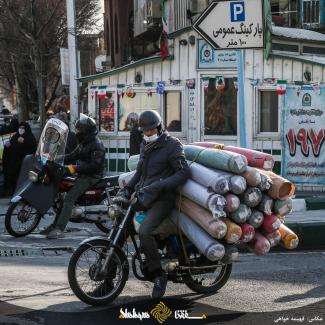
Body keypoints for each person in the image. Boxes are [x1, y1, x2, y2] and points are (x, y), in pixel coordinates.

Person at [121, 110, 190, 298]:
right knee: (122, 224)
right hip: (144, 195)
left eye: (151, 130)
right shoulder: (145, 145)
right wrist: (128, 188)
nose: (148, 134)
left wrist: (160, 186)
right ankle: (109, 276)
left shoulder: (172, 146)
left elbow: (183, 174)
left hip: (163, 198)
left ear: (159, 127)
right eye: (145, 131)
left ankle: (159, 275)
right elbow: (140, 173)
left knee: (145, 231)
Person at [43, 114, 106, 239]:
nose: (77, 132)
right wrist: (56, 158)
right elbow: (73, 155)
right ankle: (55, 225)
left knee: (69, 198)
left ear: (86, 131)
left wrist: (74, 168)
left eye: (79, 130)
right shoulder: (84, 142)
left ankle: (59, 230)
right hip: (82, 173)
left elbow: (94, 165)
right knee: (63, 197)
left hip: (92, 176)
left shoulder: (96, 145)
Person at [4, 122, 37, 195]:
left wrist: (24, 142)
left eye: (23, 128)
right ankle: (15, 194)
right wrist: (8, 145)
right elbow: (11, 145)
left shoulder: (30, 137)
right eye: (20, 128)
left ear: (26, 129)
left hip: (25, 163)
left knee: (23, 179)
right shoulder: (15, 136)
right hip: (14, 163)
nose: (21, 129)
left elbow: (33, 147)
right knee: (14, 178)